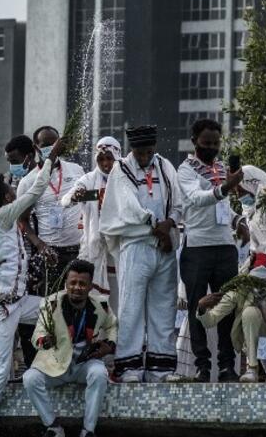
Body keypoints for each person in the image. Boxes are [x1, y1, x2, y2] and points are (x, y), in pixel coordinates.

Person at [0, 137, 63, 437]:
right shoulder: (2, 217)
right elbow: (38, 190)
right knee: (1, 369)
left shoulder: (7, 220)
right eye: (11, 188)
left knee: (57, 308)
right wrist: (51, 159)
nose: (15, 189)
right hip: (1, 308)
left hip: (20, 302)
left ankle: (62, 367)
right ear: (7, 196)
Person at [100, 124, 182, 382]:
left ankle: (161, 369)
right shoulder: (121, 168)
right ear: (131, 149)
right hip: (137, 245)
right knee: (131, 307)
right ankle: (130, 368)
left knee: (164, 306)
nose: (144, 157)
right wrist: (155, 225)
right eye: (139, 152)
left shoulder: (165, 166)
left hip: (164, 245)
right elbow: (127, 205)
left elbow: (177, 201)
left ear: (154, 147)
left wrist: (169, 224)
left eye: (148, 151)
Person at [177, 118, 247, 382]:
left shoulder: (220, 168)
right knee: (199, 308)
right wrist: (226, 187)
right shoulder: (186, 170)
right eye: (207, 143)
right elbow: (196, 199)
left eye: (216, 143)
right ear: (195, 141)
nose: (212, 148)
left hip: (225, 247)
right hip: (197, 248)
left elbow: (222, 207)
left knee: (227, 306)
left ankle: (227, 365)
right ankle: (201, 366)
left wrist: (238, 221)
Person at [23, 259, 116, 437]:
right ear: (66, 283)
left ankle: (88, 432)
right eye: (73, 282)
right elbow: (37, 334)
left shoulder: (101, 305)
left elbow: (112, 325)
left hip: (84, 364)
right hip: (54, 364)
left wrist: (110, 345)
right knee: (30, 378)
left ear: (90, 286)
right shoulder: (50, 303)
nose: (77, 287)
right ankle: (53, 428)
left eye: (82, 284)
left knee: (99, 373)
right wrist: (43, 341)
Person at [196, 266, 266, 381]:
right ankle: (252, 368)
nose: (261, 287)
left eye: (265, 283)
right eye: (257, 283)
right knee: (250, 312)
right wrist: (201, 307)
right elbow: (210, 321)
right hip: (257, 336)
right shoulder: (239, 290)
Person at [19, 127, 85, 301]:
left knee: (77, 302)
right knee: (51, 304)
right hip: (50, 254)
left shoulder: (77, 170)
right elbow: (22, 220)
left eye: (54, 143)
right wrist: (40, 245)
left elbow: (89, 204)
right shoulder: (28, 182)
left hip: (78, 250)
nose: (51, 148)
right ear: (36, 147)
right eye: (45, 145)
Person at [63, 137, 121, 311]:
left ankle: (116, 335)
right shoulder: (89, 179)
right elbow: (65, 200)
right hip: (94, 248)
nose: (105, 163)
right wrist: (76, 195)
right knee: (95, 300)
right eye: (101, 159)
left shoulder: (126, 177)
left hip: (119, 248)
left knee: (118, 299)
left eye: (109, 158)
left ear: (117, 156)